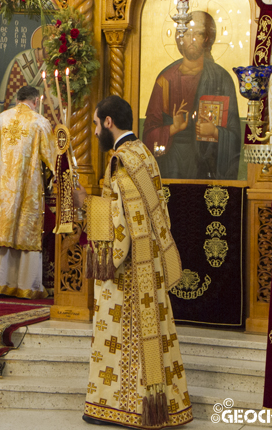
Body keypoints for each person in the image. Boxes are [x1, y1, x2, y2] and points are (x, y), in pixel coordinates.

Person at [73, 95, 192, 429]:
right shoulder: (144, 154)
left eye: (96, 124)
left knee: (128, 336)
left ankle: (125, 407)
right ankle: (163, 406)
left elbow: (122, 221)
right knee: (154, 333)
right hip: (150, 258)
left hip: (130, 267)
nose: (95, 130)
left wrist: (86, 204)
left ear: (108, 122)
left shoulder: (121, 160)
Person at [142, 11, 241, 179]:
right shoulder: (165, 79)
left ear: (207, 38)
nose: (192, 39)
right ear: (179, 39)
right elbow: (148, 136)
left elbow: (235, 136)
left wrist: (215, 132)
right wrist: (173, 128)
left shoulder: (221, 78)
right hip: (171, 167)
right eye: (186, 33)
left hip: (206, 167)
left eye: (198, 34)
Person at [0, 85, 56, 299]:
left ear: (17, 99)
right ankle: (25, 285)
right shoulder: (40, 123)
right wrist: (49, 179)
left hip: (1, 192)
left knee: (1, 227)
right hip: (27, 189)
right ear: (36, 100)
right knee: (25, 228)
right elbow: (49, 160)